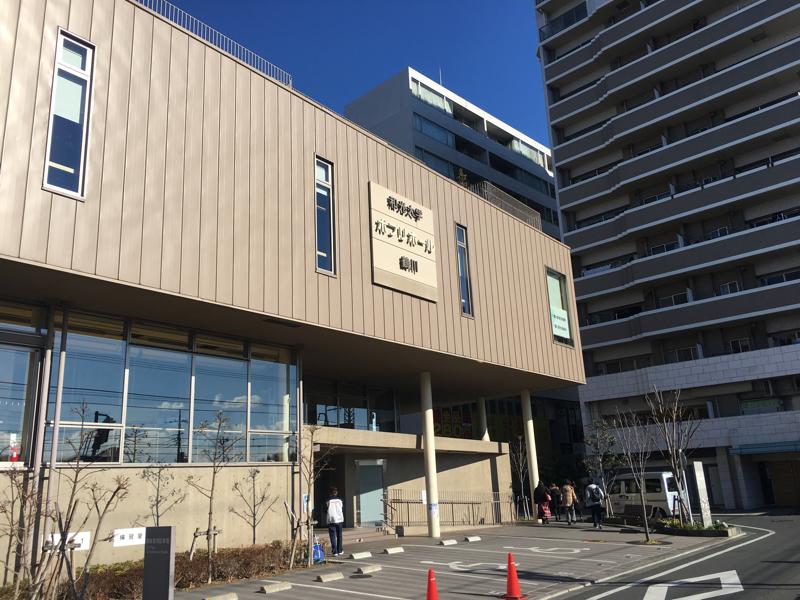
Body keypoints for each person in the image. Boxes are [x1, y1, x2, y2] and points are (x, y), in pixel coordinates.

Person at [325, 486, 345, 556]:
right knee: (339, 535)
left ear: (330, 493)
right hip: (339, 519)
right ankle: (340, 550)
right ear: (336, 493)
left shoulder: (328, 500)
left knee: (333, 536)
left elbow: (325, 509)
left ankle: (334, 551)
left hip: (331, 520)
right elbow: (342, 508)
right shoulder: (340, 500)